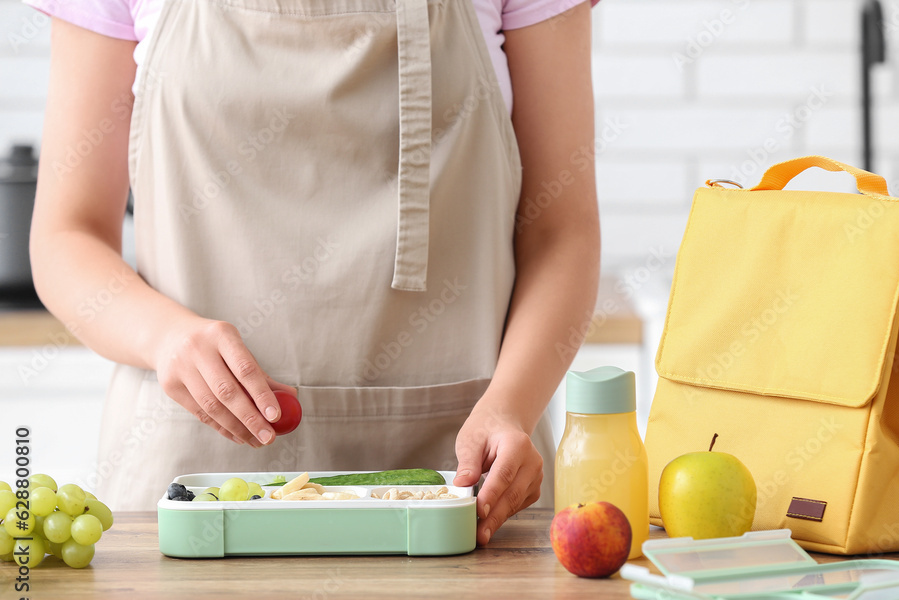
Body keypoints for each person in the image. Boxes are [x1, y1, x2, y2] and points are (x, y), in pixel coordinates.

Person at [26, 0, 600, 546]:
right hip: (196, 472)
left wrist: (511, 406)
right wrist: (162, 337)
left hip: (462, 477)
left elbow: (562, 232)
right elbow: (65, 234)